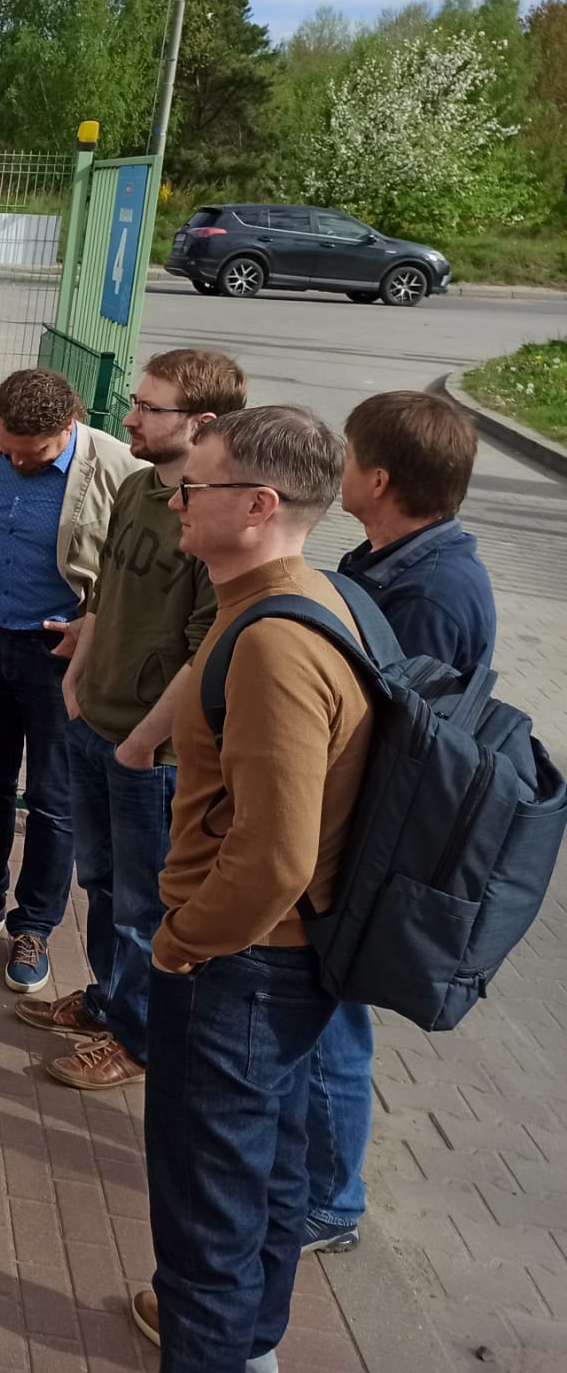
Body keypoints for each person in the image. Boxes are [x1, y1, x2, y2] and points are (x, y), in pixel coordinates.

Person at [130, 406, 372, 1372]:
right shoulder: (292, 596)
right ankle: (251, 1343)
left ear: (260, 505)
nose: (177, 499)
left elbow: (276, 855)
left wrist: (181, 940)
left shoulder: (275, 642)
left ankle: (217, 1348)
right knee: (264, 1175)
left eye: (197, 485)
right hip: (271, 963)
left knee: (207, 1214)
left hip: (242, 966)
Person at [299, 391, 497, 1255]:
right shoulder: (390, 558)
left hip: (368, 844)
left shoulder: (431, 593)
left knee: (332, 1020)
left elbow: (396, 736)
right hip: (350, 831)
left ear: (377, 477)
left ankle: (331, 1200)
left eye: (345, 456)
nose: (338, 470)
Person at [19, 350, 247, 1093]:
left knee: (144, 904)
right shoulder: (140, 487)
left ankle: (137, 1039)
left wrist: (145, 741)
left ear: (203, 423)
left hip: (150, 754)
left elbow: (206, 648)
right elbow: (109, 597)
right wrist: (79, 671)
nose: (129, 417)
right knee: (106, 883)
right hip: (98, 724)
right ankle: (111, 1002)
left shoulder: (218, 517)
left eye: (150, 407)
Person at [0, 369, 145, 992]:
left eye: (35, 452)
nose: (17, 458)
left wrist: (93, 632)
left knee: (53, 799)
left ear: (69, 425)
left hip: (61, 654)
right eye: (10, 446)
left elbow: (128, 572)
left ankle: (36, 925)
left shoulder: (120, 467)